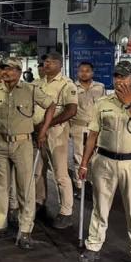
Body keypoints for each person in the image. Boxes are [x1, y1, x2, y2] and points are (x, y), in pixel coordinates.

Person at [78, 61, 131, 262]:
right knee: (100, 207)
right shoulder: (102, 102)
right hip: (104, 161)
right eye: (117, 76)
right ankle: (93, 246)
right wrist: (84, 163)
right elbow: (92, 135)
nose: (120, 80)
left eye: (124, 76)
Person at [0, 57, 55, 249]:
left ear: (18, 71)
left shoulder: (30, 90)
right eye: (3, 69)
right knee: (0, 187)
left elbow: (51, 105)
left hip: (23, 143)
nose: (5, 72)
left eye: (10, 69)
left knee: (26, 187)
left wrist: (43, 130)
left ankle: (25, 230)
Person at [34, 51, 78, 229]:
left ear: (60, 64)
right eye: (45, 62)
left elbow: (71, 110)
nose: (46, 64)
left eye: (51, 62)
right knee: (38, 170)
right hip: (36, 132)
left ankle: (66, 212)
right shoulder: (37, 83)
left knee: (60, 174)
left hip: (56, 133)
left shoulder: (66, 84)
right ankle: (39, 201)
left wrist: (46, 125)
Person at [72, 61, 106, 194]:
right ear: (77, 72)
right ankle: (79, 185)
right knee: (78, 156)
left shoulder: (100, 87)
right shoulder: (72, 87)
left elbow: (104, 107)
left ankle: (92, 183)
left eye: (87, 71)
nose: (84, 73)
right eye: (81, 71)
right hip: (78, 127)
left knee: (94, 157)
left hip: (96, 128)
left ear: (92, 73)